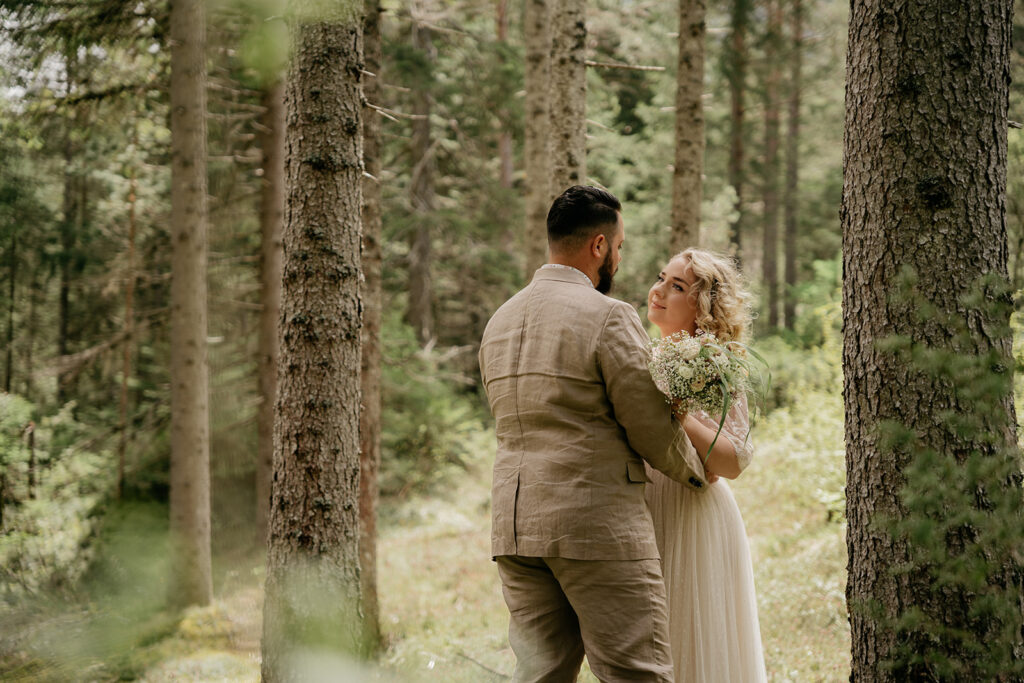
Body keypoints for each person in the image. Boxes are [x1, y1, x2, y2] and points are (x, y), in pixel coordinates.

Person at [478, 186, 708, 682]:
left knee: (541, 674)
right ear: (599, 245)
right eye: (620, 248)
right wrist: (696, 475)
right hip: (594, 525)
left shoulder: (499, 321)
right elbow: (647, 421)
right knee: (636, 672)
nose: (619, 259)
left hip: (516, 528)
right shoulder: (608, 315)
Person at [645, 248, 767, 683]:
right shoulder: (637, 355)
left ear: (702, 308)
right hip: (641, 509)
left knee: (692, 639)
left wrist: (681, 416)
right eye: (661, 278)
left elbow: (731, 462)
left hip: (693, 510)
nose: (658, 290)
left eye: (677, 286)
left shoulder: (716, 364)